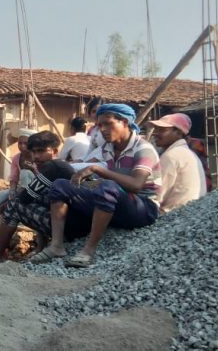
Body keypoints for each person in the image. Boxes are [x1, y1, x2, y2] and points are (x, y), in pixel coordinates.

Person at [35, 104, 161, 268]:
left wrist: (97, 170)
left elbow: (136, 185)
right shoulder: (108, 148)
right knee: (60, 185)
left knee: (108, 186)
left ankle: (88, 251)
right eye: (100, 125)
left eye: (108, 124)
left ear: (124, 122)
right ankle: (56, 246)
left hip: (143, 208)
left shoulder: (143, 149)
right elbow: (85, 163)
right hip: (119, 202)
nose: (102, 129)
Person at [0, 131, 76, 262]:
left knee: (15, 205)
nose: (36, 156)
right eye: (34, 152)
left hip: (71, 226)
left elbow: (25, 198)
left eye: (41, 151)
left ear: (54, 151)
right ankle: (40, 247)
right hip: (71, 220)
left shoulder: (53, 167)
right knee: (29, 201)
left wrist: (2, 208)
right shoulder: (57, 166)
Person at [0, 128, 37, 230]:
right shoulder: (17, 158)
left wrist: (34, 170)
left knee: (25, 173)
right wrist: (12, 192)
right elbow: (14, 178)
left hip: (36, 188)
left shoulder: (38, 157)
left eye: (26, 143)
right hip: (22, 187)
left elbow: (43, 178)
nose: (22, 146)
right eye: (20, 143)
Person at [148, 113, 206, 213]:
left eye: (162, 130)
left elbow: (156, 195)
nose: (155, 133)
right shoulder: (186, 152)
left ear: (179, 133)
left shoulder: (171, 156)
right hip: (193, 213)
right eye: (156, 129)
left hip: (174, 215)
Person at [82, 97, 105, 161]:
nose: (97, 114)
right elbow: (90, 150)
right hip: (92, 161)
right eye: (94, 111)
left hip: (106, 163)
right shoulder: (94, 130)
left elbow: (107, 150)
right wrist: (81, 160)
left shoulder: (109, 129)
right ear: (90, 113)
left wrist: (87, 162)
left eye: (100, 111)